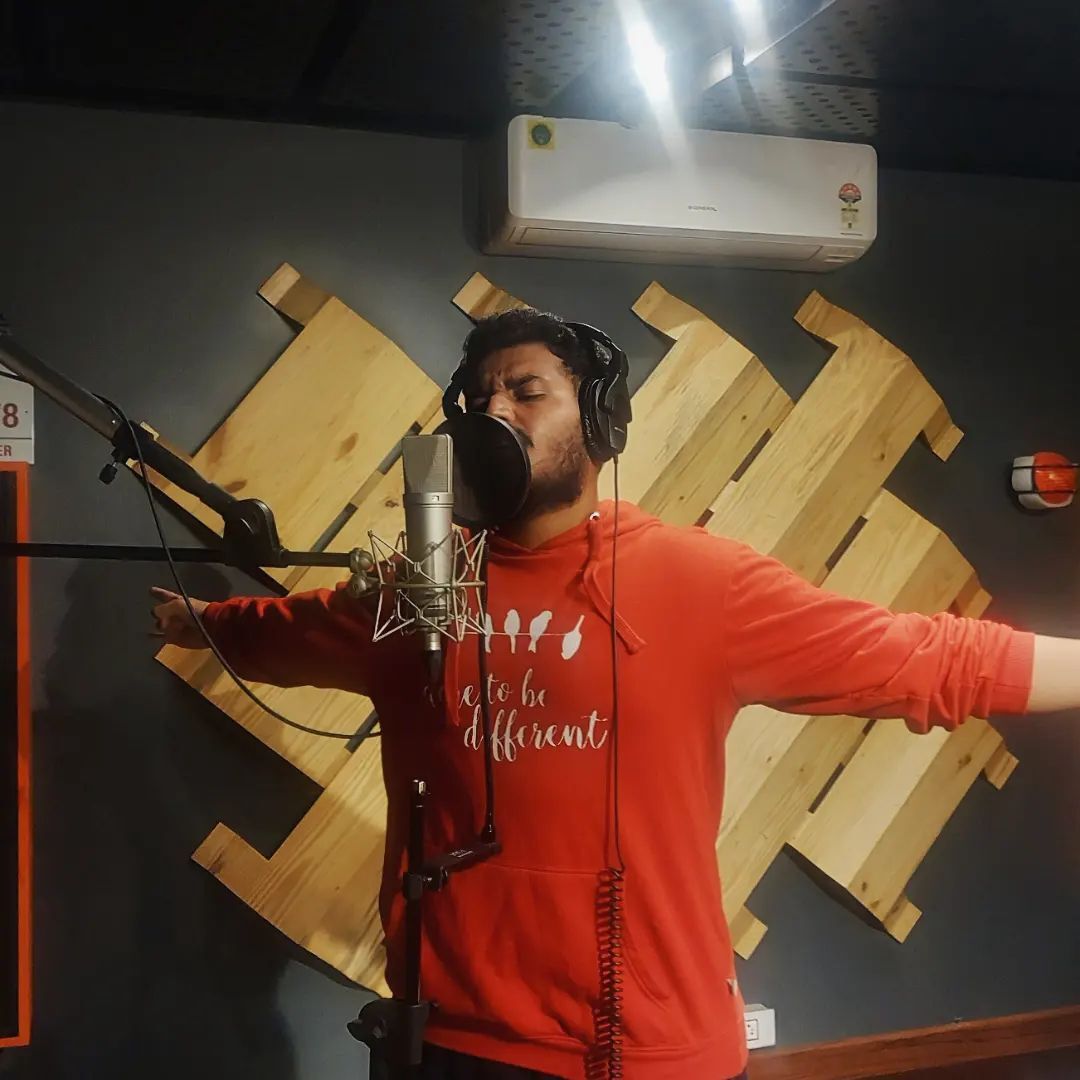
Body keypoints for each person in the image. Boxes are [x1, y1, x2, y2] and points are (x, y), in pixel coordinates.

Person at [151, 308, 1077, 1080]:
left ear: (599, 423)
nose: (494, 413)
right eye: (477, 400)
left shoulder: (696, 583)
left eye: (526, 391)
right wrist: (203, 622)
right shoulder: (415, 590)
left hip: (642, 1054)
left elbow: (920, 657)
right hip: (447, 1039)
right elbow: (292, 631)